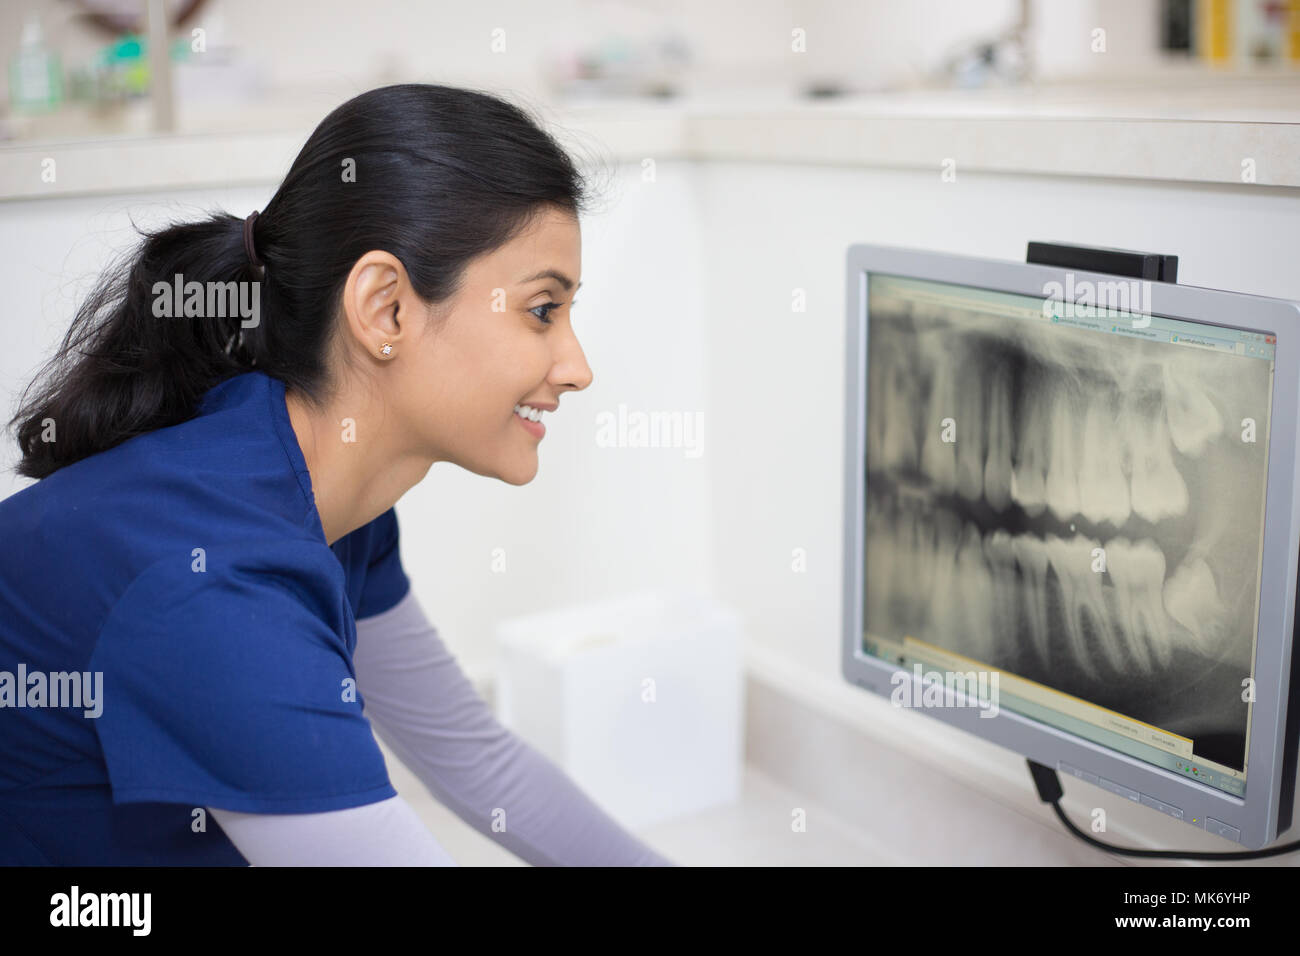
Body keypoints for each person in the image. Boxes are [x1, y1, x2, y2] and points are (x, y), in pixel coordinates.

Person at [0, 83, 674, 866]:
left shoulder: (326, 496)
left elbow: (480, 764)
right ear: (385, 308)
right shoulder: (216, 585)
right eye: (541, 310)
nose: (578, 367)